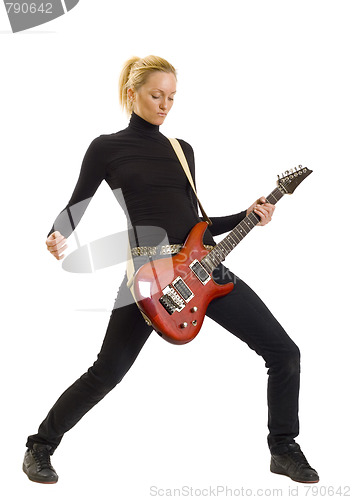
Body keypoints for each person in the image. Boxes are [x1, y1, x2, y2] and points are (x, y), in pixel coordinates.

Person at [23, 55, 319, 485]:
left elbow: (198, 222)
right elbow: (77, 204)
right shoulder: (106, 148)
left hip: (206, 268)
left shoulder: (182, 151)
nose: (165, 105)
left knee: (284, 352)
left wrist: (249, 212)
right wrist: (56, 234)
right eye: (156, 95)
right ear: (132, 94)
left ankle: (283, 448)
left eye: (172, 97)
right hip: (153, 276)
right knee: (108, 371)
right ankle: (40, 446)